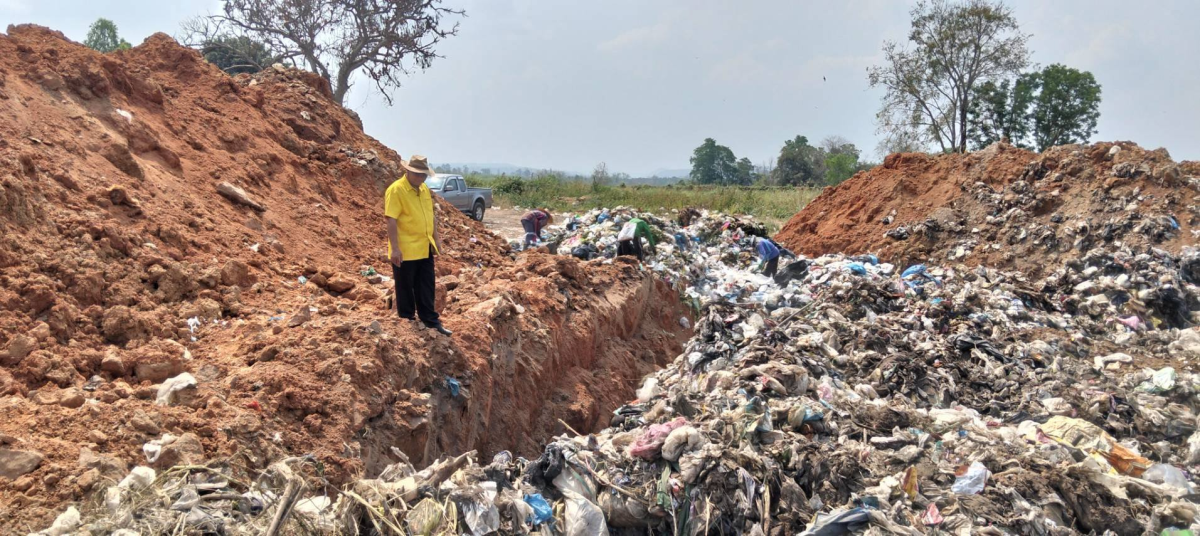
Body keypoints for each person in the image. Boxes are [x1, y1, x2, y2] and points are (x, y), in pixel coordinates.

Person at [384, 155, 452, 336]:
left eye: (424, 175)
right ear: (408, 171)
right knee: (405, 287)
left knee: (427, 286)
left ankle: (431, 322)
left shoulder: (424, 190)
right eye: (417, 174)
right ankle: (407, 324)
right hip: (405, 249)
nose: (421, 178)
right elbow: (391, 219)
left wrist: (436, 240)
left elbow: (431, 217)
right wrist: (395, 248)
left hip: (424, 246)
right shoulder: (396, 190)